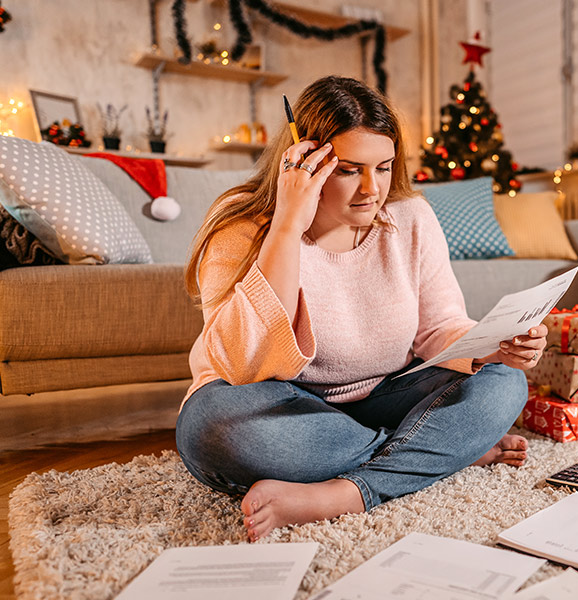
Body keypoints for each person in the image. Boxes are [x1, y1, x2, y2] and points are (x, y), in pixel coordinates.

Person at [177, 75, 548, 542]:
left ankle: (346, 492)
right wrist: (289, 226)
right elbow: (238, 362)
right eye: (349, 169)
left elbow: (440, 328)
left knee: (504, 381)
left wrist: (495, 345)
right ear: (304, 162)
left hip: (387, 393)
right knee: (213, 428)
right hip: (286, 403)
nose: (371, 189)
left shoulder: (411, 217)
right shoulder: (241, 225)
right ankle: (442, 448)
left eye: (385, 167)